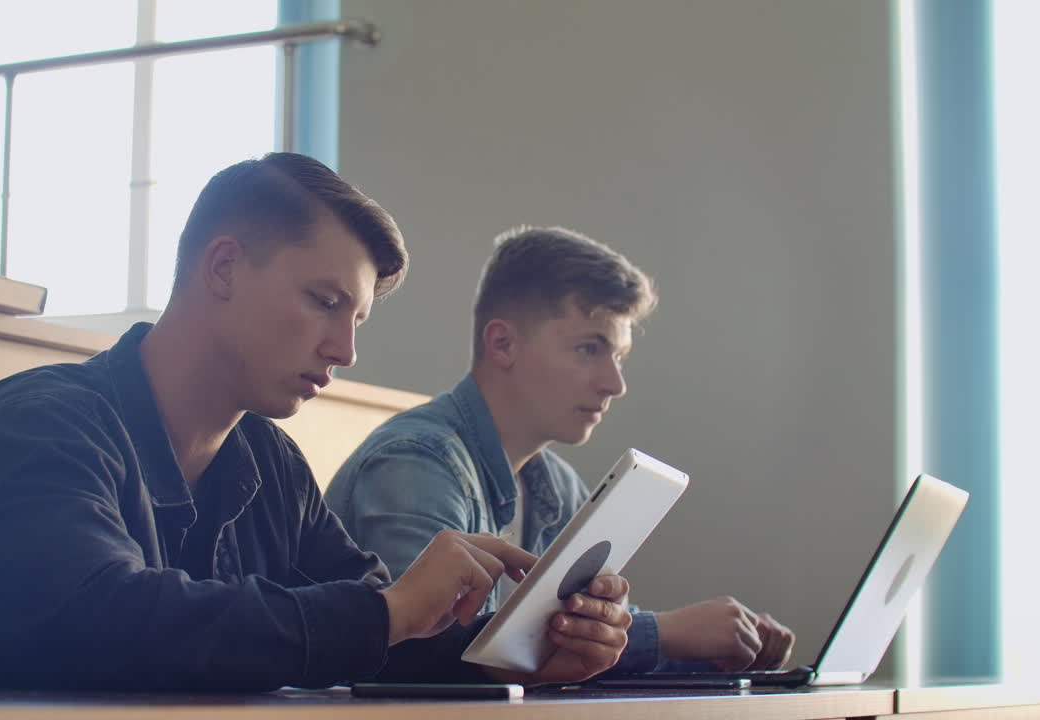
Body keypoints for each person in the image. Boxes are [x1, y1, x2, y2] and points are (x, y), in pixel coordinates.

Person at [0, 154, 632, 692]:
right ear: (222, 267)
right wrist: (388, 612)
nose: (346, 348)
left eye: (356, 318)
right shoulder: (41, 423)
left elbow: (370, 637)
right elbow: (105, 618)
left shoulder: (270, 463)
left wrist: (514, 660)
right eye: (324, 302)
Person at [326, 226, 795, 674]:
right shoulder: (415, 462)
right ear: (503, 344)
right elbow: (422, 654)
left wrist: (715, 653)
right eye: (590, 349)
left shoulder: (558, 484)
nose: (614, 383)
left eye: (619, 357)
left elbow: (561, 651)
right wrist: (667, 634)